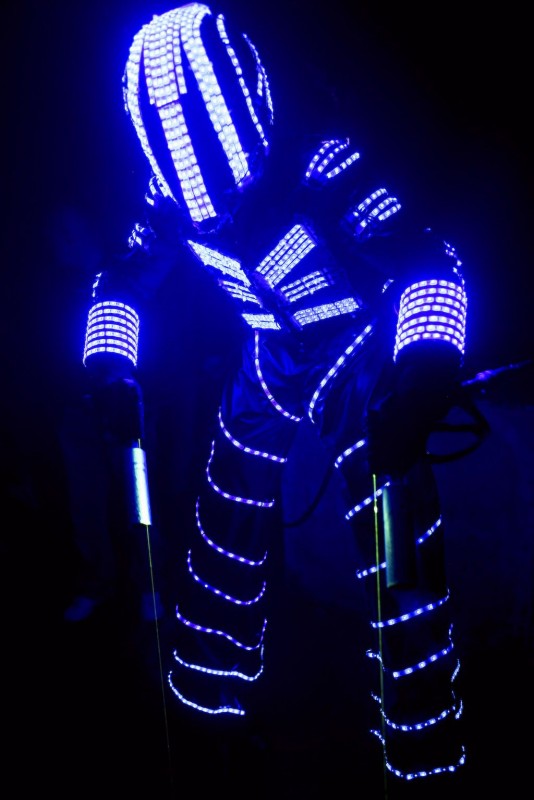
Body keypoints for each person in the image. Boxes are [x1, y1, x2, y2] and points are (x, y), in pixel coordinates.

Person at [81, 2, 469, 794]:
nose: (216, 215)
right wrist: (110, 368)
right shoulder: (167, 198)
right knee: (227, 512)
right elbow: (122, 279)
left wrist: (424, 369)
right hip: (270, 355)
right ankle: (206, 693)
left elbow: (430, 261)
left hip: (360, 349)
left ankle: (422, 742)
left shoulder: (323, 168)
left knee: (395, 532)